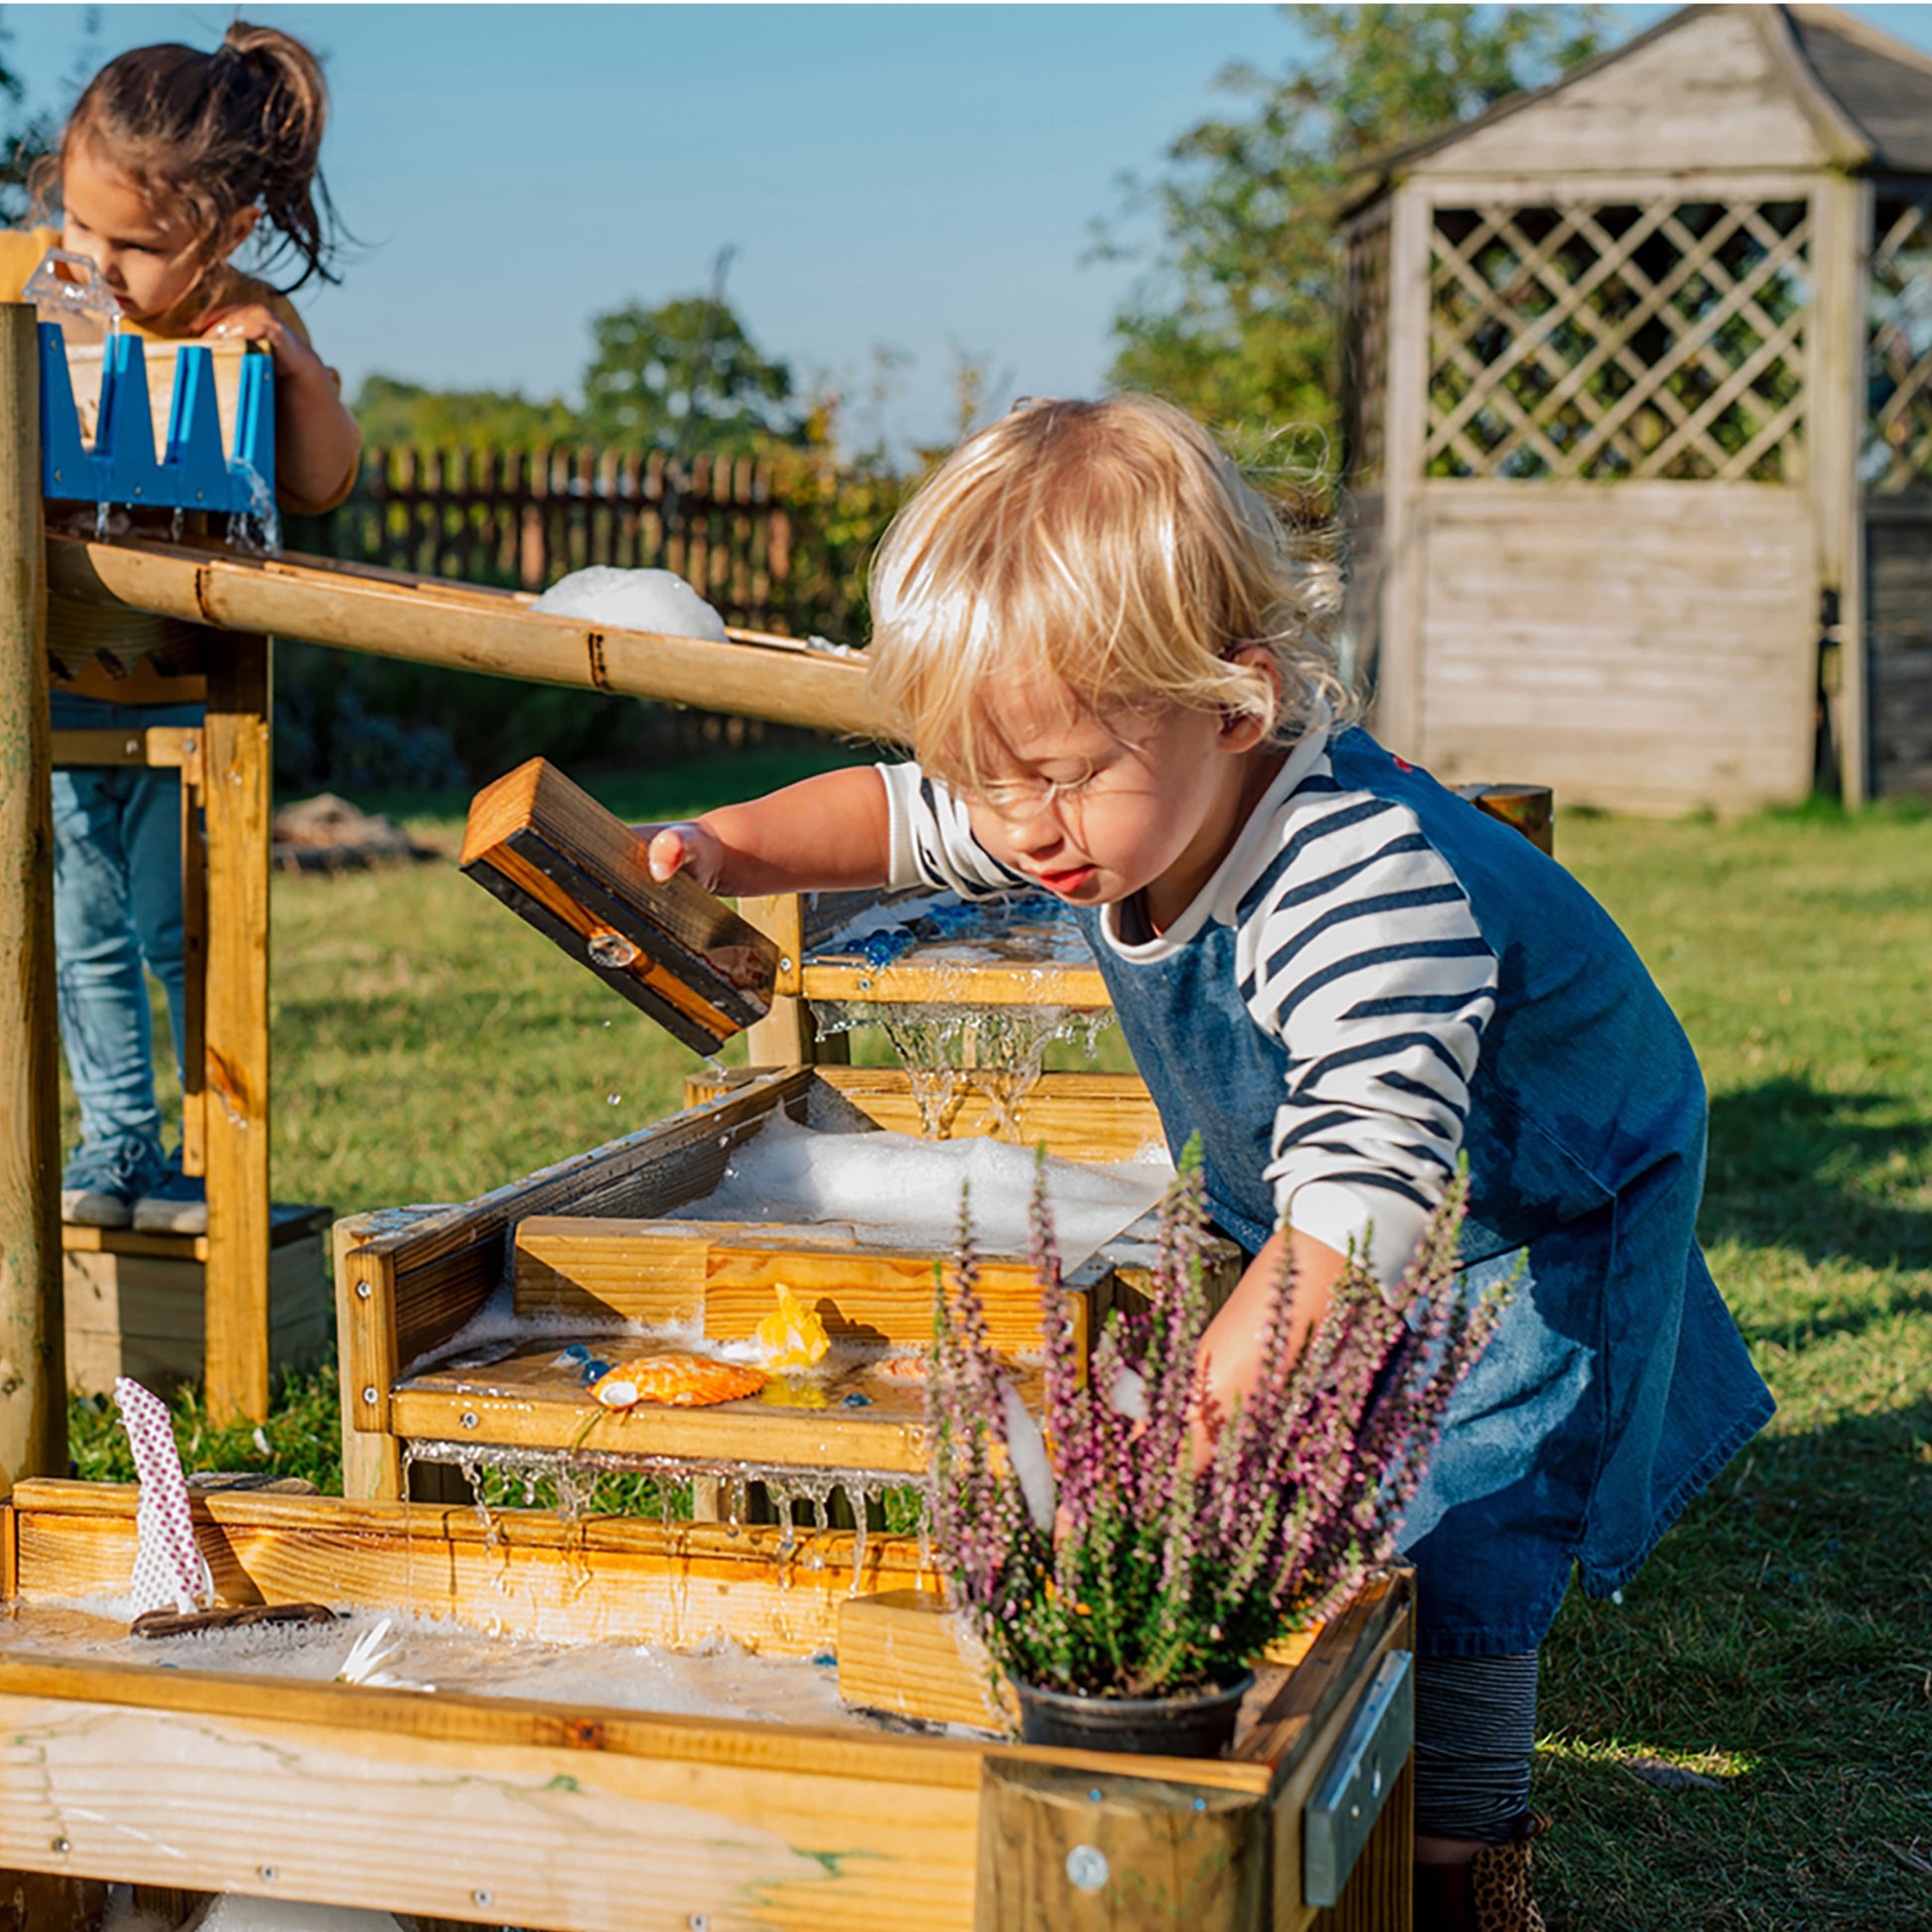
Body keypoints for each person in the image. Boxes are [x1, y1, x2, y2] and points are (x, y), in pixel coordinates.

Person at [642, 394, 1775, 1931]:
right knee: (1306, 1458)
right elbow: (900, 818)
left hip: (1526, 1204)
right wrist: (731, 843)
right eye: (982, 775)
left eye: (1053, 777)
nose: (1015, 827)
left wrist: (1192, 1434)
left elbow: (1361, 1222)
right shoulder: (1086, 792)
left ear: (1237, 703)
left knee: (1460, 1515)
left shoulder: (1358, 883)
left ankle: (1464, 1862)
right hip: (1328, 1185)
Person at [1, 22, 361, 1235]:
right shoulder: (31, 291)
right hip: (57, 673)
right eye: (77, 223)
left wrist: (288, 367)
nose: (95, 262)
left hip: (192, 694)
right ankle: (119, 1139)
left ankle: (214, 1145)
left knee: (180, 928)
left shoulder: (242, 319)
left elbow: (322, 478)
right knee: (84, 930)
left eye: (138, 246)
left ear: (226, 234)